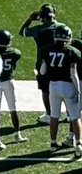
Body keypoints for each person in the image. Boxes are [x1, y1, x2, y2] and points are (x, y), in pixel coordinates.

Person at [40, 24, 82, 158]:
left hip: (53, 86)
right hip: (68, 85)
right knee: (75, 116)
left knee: (54, 115)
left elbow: (42, 71)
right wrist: (78, 90)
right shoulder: (72, 51)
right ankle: (79, 144)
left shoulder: (46, 50)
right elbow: (73, 73)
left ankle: (53, 143)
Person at [20, 3, 58, 124]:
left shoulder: (38, 29)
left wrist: (30, 18)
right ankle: (68, 113)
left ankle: (49, 114)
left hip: (43, 64)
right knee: (64, 87)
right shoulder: (62, 27)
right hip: (60, 63)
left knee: (46, 90)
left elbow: (22, 32)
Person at [0, 29, 26, 142]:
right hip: (9, 82)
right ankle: (17, 134)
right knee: (13, 109)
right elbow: (17, 55)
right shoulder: (14, 52)